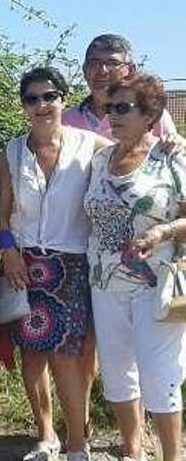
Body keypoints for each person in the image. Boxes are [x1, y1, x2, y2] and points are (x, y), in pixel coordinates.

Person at [0, 67, 111, 461]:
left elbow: (137, 149)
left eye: (49, 96)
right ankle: (46, 436)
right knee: (32, 356)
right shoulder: (11, 151)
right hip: (24, 263)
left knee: (68, 357)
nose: (41, 105)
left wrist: (174, 148)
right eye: (32, 98)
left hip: (72, 263)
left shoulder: (91, 144)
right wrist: (8, 251)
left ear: (63, 99)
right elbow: (1, 215)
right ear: (24, 106)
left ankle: (78, 443)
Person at [84, 74, 186, 461]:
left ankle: (172, 456)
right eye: (110, 107)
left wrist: (162, 232)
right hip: (104, 283)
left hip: (156, 285)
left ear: (150, 114)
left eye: (124, 107)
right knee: (117, 373)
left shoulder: (171, 157)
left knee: (160, 375)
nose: (113, 115)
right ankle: (133, 453)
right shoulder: (99, 160)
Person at [63, 33, 179, 139]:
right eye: (94, 63)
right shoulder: (64, 121)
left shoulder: (149, 116)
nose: (102, 71)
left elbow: (176, 153)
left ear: (131, 70)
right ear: (85, 70)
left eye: (112, 63)